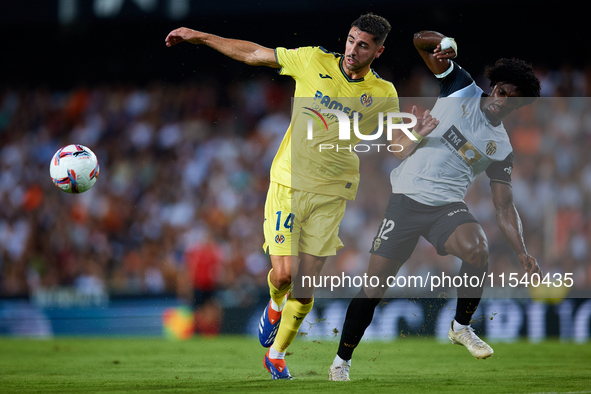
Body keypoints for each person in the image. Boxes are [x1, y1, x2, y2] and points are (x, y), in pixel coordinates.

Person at [165, 14, 437, 380]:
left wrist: (416, 135)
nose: (352, 50)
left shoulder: (382, 93)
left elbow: (394, 146)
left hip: (333, 194)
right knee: (283, 276)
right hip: (289, 183)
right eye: (351, 40)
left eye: (363, 45)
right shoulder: (312, 60)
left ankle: (276, 355)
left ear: (378, 51)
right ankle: (275, 305)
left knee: (306, 285)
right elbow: (254, 55)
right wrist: (199, 36)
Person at [328, 30, 543, 381]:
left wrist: (521, 252)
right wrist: (444, 42)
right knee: (374, 287)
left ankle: (460, 326)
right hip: (406, 200)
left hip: (445, 208)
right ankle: (341, 361)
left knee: (478, 249)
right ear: (494, 87)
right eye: (502, 91)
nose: (503, 101)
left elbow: (504, 206)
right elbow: (419, 42)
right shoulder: (461, 87)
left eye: (512, 101)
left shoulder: (501, 148)